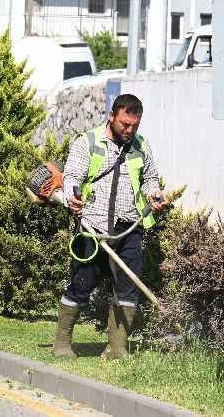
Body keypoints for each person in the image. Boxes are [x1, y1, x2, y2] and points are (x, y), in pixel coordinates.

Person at [53, 94, 168, 359]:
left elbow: (150, 178)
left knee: (128, 288)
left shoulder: (141, 145)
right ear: (112, 116)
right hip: (92, 228)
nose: (130, 130)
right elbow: (72, 176)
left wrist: (154, 193)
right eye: (125, 124)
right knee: (81, 284)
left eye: (135, 125)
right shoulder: (89, 143)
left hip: (129, 229)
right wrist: (72, 197)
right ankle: (62, 345)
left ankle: (116, 349)